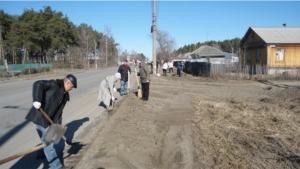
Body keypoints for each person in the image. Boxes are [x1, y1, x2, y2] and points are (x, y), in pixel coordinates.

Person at [25, 74, 77, 169]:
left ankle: (41, 154)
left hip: (50, 119)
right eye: (72, 86)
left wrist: (58, 126)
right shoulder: (53, 84)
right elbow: (38, 84)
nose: (72, 89)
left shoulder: (65, 95)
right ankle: (56, 166)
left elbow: (59, 112)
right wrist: (37, 99)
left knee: (47, 139)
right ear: (67, 82)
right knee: (48, 142)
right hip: (39, 117)